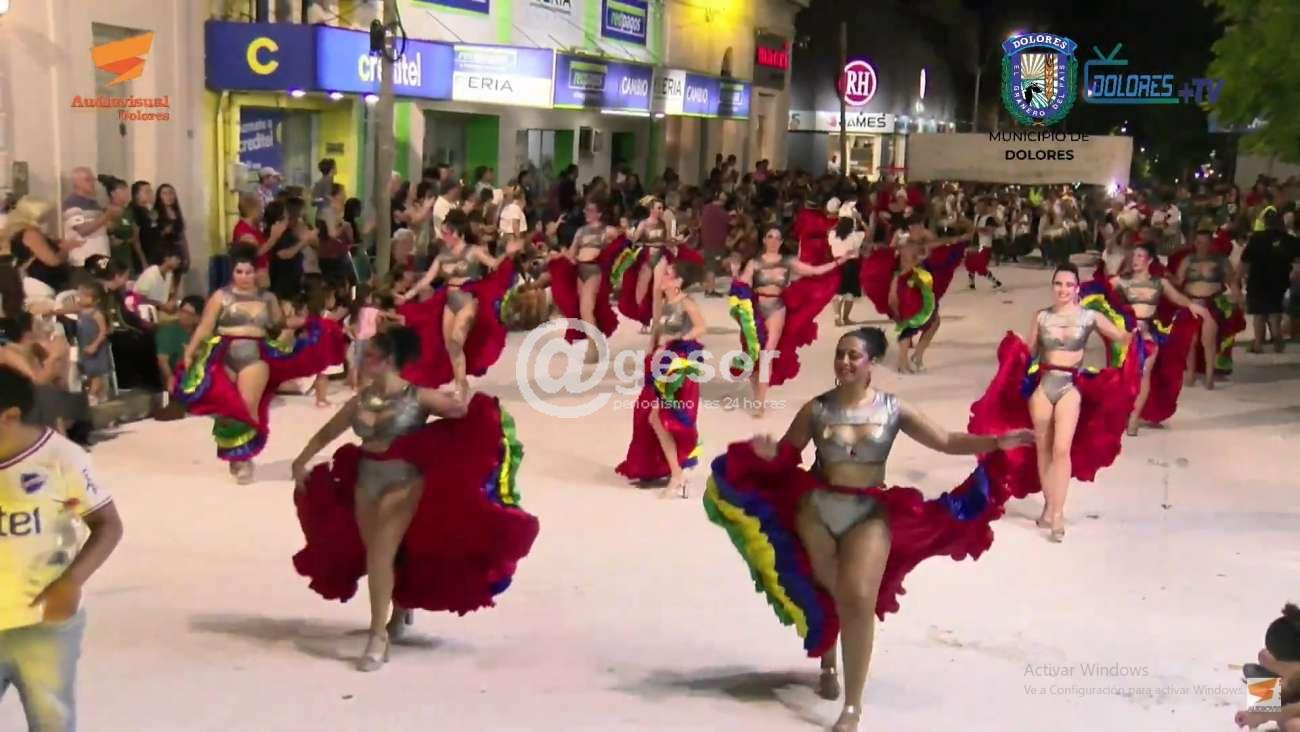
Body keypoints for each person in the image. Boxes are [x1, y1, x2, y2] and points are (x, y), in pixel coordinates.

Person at [703, 327, 1032, 732]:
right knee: (827, 586)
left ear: (871, 362)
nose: (844, 361)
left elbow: (946, 441)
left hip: (868, 512)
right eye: (840, 354)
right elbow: (788, 456)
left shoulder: (893, 409)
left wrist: (996, 444)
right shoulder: (816, 408)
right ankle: (828, 661)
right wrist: (767, 454)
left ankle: (853, 706)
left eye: (853, 355)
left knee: (858, 597)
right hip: (815, 509)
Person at [291, 328, 539, 671]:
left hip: (404, 483)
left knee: (380, 553)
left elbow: (465, 414)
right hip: (366, 480)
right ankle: (400, 608)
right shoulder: (359, 401)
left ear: (390, 360)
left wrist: (463, 398)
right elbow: (327, 432)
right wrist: (301, 460)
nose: (362, 360)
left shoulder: (419, 397)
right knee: (382, 553)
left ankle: (378, 636)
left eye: (370, 355)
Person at [969, 264, 1137, 542]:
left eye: (1069, 285)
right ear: (1052, 286)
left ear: (1077, 288)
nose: (1063, 289)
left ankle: (1058, 514)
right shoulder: (1041, 317)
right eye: (1058, 284)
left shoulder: (1089, 317)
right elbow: (1031, 353)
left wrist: (1137, 335)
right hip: (1043, 387)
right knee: (1043, 449)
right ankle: (1049, 506)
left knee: (1061, 450)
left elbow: (1121, 337)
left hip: (1070, 387)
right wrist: (1017, 347)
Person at [0, 365, 123, 731]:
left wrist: (71, 582)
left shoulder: (60, 458)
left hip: (43, 624)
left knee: (51, 720)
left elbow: (108, 525)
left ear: (10, 417)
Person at [175, 248, 346, 483]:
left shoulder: (268, 298)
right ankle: (235, 453)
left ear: (256, 273)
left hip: (254, 357)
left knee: (246, 408)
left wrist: (308, 322)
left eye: (248, 272)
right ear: (233, 272)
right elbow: (205, 326)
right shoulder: (220, 296)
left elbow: (279, 324)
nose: (244, 276)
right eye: (239, 271)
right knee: (227, 408)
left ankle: (244, 458)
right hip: (222, 355)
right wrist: (190, 351)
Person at [397, 209, 518, 395]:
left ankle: (460, 386)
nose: (443, 237)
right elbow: (426, 280)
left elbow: (494, 265)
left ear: (458, 232)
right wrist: (407, 296)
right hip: (448, 301)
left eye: (446, 233)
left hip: (467, 300)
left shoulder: (474, 251)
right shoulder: (442, 256)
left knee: (456, 341)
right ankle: (461, 383)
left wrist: (507, 254)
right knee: (451, 347)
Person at [616, 259, 706, 498]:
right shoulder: (666, 303)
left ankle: (677, 473)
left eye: (668, 274)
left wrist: (677, 340)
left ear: (678, 282)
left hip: (676, 363)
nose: (663, 277)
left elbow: (701, 328)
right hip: (659, 361)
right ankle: (667, 469)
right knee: (648, 414)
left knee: (660, 416)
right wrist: (651, 349)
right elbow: (658, 328)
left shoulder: (686, 302)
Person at [730, 227, 845, 416]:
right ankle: (757, 393)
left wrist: (840, 261)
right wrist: (735, 273)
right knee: (753, 354)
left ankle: (759, 402)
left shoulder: (788, 261)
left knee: (767, 353)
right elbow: (742, 285)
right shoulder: (754, 262)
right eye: (770, 236)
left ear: (781, 242)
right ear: (764, 240)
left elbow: (814, 271)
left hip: (777, 309)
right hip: (756, 310)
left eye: (777, 237)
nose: (773, 240)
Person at [1100, 242, 1208, 435]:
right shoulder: (1120, 281)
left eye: (1140, 256)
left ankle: (1134, 418)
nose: (1135, 260)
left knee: (1144, 374)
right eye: (1134, 256)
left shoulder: (1160, 283)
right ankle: (1123, 412)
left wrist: (1194, 307)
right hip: (1125, 336)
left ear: (1149, 260)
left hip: (1149, 335)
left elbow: (1178, 299)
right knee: (1123, 375)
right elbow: (1099, 293)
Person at [546, 198, 621, 362]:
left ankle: (592, 349)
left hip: (595, 271)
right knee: (585, 310)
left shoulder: (607, 230)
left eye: (591, 210)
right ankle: (595, 344)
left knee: (586, 309)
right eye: (586, 210)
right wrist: (558, 255)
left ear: (599, 214)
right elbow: (572, 254)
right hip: (580, 271)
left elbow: (622, 241)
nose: (587, 213)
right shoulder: (580, 231)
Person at [1173, 220, 1244, 387]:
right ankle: (1190, 373)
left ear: (1211, 243)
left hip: (1211, 303)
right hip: (1191, 303)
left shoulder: (1220, 260)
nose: (1201, 246)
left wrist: (1238, 299)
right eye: (1198, 243)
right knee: (1190, 340)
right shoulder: (1188, 260)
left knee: (1208, 340)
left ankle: (1210, 375)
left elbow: (1231, 281)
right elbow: (1178, 281)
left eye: (1205, 243)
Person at [1242, 209, 1299, 353]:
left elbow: (1245, 261)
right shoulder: (1290, 240)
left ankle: (1258, 344)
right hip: (1279, 281)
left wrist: (1240, 277)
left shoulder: (1256, 239)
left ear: (1265, 223)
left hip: (1257, 281)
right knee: (1274, 313)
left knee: (1259, 315)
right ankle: (1277, 339)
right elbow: (1297, 262)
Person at [61, 167, 115, 268]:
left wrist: (110, 220)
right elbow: (83, 230)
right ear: (76, 183)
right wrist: (107, 215)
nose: (92, 183)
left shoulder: (94, 203)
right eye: (87, 180)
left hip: (101, 258)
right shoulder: (72, 203)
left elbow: (103, 226)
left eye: (93, 179)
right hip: (84, 260)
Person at [155, 295, 204, 393]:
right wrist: (170, 378)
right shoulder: (168, 331)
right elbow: (162, 361)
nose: (184, 316)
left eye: (189, 314)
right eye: (182, 311)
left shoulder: (202, 332)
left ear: (198, 317)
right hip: (177, 378)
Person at [74, 281, 112, 406]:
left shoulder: (96, 314)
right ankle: (100, 394)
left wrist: (94, 345)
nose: (80, 298)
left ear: (94, 299)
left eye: (84, 296)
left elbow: (103, 331)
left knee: (97, 374)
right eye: (80, 295)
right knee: (90, 372)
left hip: (96, 348)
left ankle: (92, 395)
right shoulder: (81, 312)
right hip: (85, 348)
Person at [99, 176, 143, 277]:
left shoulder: (129, 212)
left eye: (127, 190)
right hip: (110, 260)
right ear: (113, 193)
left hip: (127, 260)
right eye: (123, 190)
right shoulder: (104, 212)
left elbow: (136, 239)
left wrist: (143, 261)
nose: (127, 194)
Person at [153, 183, 188, 271]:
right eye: (164, 193)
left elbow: (182, 237)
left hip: (178, 252)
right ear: (159, 196)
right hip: (163, 253)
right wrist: (164, 232)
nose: (168, 196)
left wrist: (186, 255)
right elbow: (152, 237)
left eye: (171, 193)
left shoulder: (177, 213)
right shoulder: (155, 213)